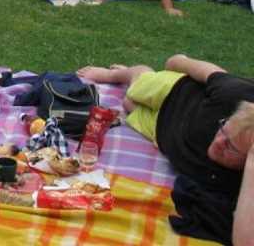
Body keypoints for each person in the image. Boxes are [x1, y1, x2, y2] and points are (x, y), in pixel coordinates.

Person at [77, 56, 254, 246]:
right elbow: (210, 73)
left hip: (163, 132)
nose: (219, 141)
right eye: (223, 129)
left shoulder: (245, 181)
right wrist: (178, 61)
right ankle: (123, 73)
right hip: (173, 91)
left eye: (230, 146)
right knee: (138, 86)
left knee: (128, 104)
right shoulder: (235, 96)